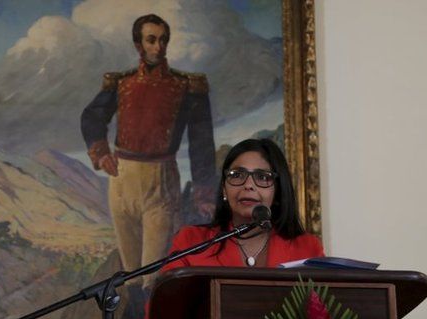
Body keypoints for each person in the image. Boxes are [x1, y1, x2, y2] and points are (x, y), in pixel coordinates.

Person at [81, 14, 217, 286]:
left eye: (163, 40)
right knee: (130, 276)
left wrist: (204, 193)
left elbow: (202, 142)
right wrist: (101, 152)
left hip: (160, 182)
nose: (159, 47)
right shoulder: (121, 83)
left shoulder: (187, 87)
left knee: (153, 276)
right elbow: (92, 117)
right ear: (138, 45)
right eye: (152, 40)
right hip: (121, 183)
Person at [161, 138, 324, 272]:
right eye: (237, 175)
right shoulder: (191, 241)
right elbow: (162, 308)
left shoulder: (307, 249)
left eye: (262, 177)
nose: (248, 185)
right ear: (224, 189)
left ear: (277, 192)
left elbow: (323, 310)